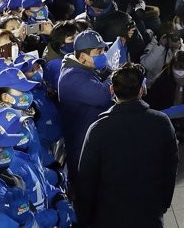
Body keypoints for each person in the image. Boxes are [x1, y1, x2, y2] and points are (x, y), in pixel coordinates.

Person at [76, 63, 178, 228]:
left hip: (109, 215)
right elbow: (170, 168)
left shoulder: (98, 129)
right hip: (149, 212)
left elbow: (86, 180)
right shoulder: (161, 123)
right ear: (141, 90)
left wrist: (85, 218)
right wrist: (163, 203)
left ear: (112, 91)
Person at [56, 30, 113, 182]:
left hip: (91, 140)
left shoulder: (83, 67)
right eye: (98, 51)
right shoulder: (72, 76)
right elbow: (102, 95)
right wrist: (114, 77)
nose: (102, 55)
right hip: (81, 147)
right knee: (86, 191)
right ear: (82, 56)